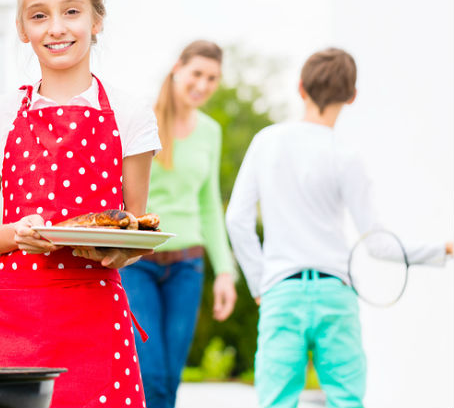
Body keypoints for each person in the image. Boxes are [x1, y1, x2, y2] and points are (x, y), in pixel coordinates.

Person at [0, 0, 161, 407]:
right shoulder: (0, 114)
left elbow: (137, 233)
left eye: (71, 11)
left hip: (96, 316)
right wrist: (17, 234)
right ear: (21, 28)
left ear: (97, 20)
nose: (56, 27)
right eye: (39, 15)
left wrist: (117, 253)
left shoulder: (131, 116)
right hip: (19, 321)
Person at [225, 48, 453, 408]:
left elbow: (236, 219)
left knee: (276, 401)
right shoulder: (347, 155)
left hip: (281, 292)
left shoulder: (266, 141)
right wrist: (443, 249)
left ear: (300, 88)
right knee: (346, 400)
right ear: (352, 96)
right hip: (336, 294)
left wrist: (260, 282)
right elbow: (377, 244)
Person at [118, 39, 238, 408]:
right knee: (150, 374)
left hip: (188, 266)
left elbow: (209, 205)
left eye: (212, 78)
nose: (203, 85)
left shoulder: (210, 131)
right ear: (177, 69)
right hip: (138, 264)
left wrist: (225, 272)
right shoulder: (139, 119)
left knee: (170, 377)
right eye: (197, 74)